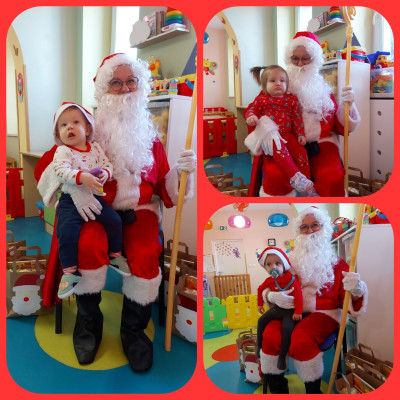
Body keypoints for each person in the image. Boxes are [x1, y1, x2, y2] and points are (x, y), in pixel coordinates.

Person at [35, 53, 196, 371]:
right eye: (116, 83)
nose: (124, 89)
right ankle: (88, 323)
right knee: (86, 246)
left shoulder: (151, 139)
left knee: (146, 253)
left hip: (140, 211)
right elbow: (48, 167)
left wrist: (183, 172)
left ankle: (133, 331)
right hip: (96, 208)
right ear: (103, 90)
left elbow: (167, 191)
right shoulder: (87, 131)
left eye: (130, 81)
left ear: (140, 85)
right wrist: (74, 186)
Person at [260, 206, 368, 393]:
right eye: (304, 227)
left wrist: (357, 289)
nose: (309, 231)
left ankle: (313, 391)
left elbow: (349, 301)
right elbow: (271, 284)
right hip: (291, 311)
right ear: (299, 232)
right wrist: (270, 296)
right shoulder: (289, 262)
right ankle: (278, 388)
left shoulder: (338, 264)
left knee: (301, 338)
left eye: (315, 225)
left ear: (324, 228)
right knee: (270, 334)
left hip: (325, 314)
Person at [248, 32, 361, 197]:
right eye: (295, 59)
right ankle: (281, 207)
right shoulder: (279, 84)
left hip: (321, 144)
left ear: (314, 59)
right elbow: (255, 109)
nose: (300, 64)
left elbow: (339, 126)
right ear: (289, 59)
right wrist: (265, 128)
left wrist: (347, 105)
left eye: (305, 58)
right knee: (276, 177)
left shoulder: (323, 90)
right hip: (284, 143)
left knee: (331, 177)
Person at [40, 102, 131, 300]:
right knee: (66, 231)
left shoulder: (95, 148)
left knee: (114, 220)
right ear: (58, 133)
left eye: (75, 122)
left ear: (88, 128)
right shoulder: (63, 151)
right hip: (69, 202)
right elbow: (60, 171)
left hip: (94, 198)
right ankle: (70, 272)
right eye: (63, 125)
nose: (69, 127)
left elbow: (107, 165)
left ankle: (115, 255)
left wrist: (105, 173)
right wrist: (82, 177)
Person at [244, 65, 318, 197]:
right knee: (280, 152)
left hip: (288, 135)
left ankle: (306, 183)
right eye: (272, 81)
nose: (278, 83)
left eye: (282, 81)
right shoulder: (261, 99)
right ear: (265, 85)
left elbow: (297, 118)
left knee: (301, 152)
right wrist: (251, 117)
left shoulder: (292, 100)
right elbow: (252, 110)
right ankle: (295, 177)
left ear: (287, 84)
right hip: (272, 137)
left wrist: (300, 134)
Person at [256, 247, 303, 370]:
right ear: (265, 267)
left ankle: (282, 356)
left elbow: (298, 294)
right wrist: (260, 304)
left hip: (289, 311)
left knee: (287, 328)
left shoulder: (291, 279)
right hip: (277, 309)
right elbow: (260, 289)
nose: (273, 267)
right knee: (261, 321)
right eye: (269, 264)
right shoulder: (269, 280)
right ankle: (259, 346)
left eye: (277, 263)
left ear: (284, 265)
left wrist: (298, 311)